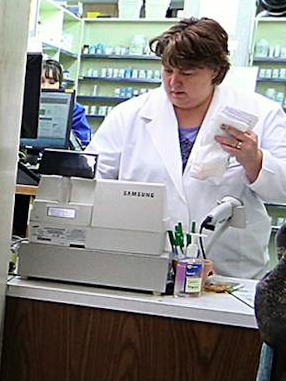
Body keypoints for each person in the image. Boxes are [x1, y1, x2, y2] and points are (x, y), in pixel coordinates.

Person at [88, 17, 286, 279]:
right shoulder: (129, 115)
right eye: (168, 70)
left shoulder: (262, 113)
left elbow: (283, 190)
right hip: (142, 263)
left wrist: (255, 161)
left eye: (187, 73)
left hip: (229, 272)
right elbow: (91, 182)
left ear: (215, 71)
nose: (173, 82)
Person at [41, 57, 91, 146]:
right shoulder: (23, 105)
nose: (45, 86)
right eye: (41, 81)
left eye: (52, 82)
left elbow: (83, 143)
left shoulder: (75, 110)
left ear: (59, 84)